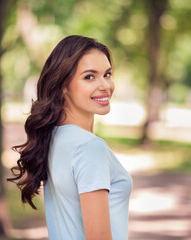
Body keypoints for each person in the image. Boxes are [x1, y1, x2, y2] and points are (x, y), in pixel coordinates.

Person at [8, 35, 133, 240]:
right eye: (89, 77)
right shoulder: (89, 148)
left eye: (107, 74)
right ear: (63, 85)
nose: (105, 85)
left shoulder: (55, 138)